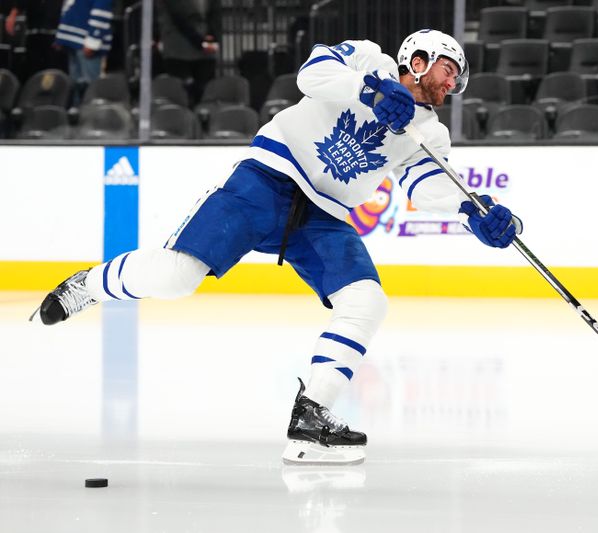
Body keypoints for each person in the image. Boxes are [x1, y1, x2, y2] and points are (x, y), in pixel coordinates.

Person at [30, 29, 522, 465]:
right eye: (447, 69)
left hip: (325, 215)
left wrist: (472, 210)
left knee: (366, 301)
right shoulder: (369, 58)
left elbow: (423, 185)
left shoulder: (429, 131)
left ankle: (312, 416)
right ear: (418, 57)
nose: (451, 83)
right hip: (268, 177)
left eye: (456, 77)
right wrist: (372, 90)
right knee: (177, 277)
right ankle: (87, 286)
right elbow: (313, 73)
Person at [155, 0, 221, 107]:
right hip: (178, 49)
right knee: (180, 97)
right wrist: (200, 42)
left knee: (206, 97)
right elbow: (178, 17)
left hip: (205, 52)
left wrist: (212, 38)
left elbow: (215, 14)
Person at [54, 0, 114, 106]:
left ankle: (92, 118)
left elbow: (102, 9)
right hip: (72, 40)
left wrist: (93, 40)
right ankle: (76, 117)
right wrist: (61, 35)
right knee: (75, 86)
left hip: (87, 42)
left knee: (91, 88)